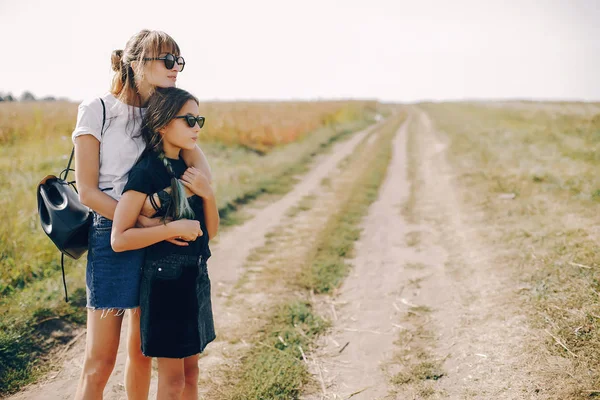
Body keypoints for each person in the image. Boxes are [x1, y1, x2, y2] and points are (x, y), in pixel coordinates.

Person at [72, 30, 212, 400]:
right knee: (99, 363)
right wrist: (140, 221)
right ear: (136, 64)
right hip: (113, 239)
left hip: (158, 240)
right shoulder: (98, 109)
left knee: (141, 352)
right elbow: (86, 191)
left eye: (178, 60)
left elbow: (200, 169)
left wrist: (168, 212)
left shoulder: (162, 111)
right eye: (167, 60)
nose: (175, 68)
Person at [111, 86, 218, 400]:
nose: (196, 126)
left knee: (191, 375)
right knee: (172, 382)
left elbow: (212, 230)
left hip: (195, 276)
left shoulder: (189, 169)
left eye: (200, 119)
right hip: (165, 283)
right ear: (161, 124)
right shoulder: (145, 173)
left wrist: (207, 193)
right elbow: (119, 238)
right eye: (188, 120)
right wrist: (171, 227)